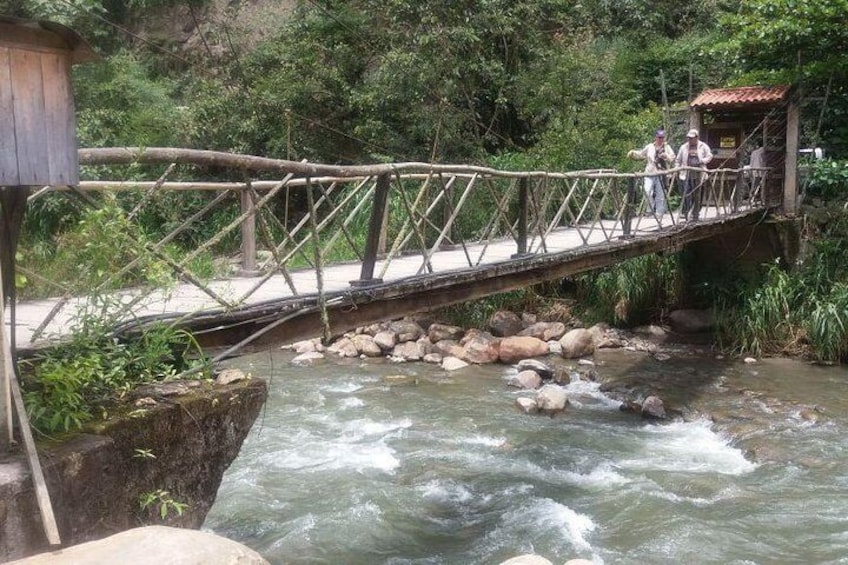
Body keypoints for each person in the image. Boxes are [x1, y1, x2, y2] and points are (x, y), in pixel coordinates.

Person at [627, 128, 675, 216]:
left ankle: (659, 212)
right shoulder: (650, 147)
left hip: (661, 173)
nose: (660, 139)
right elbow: (641, 154)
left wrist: (666, 156)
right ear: (655, 137)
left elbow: (672, 158)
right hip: (649, 172)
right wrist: (633, 153)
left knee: (660, 194)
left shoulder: (667, 147)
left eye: (662, 137)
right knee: (647, 191)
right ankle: (650, 210)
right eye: (659, 137)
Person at [676, 128, 713, 222]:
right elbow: (678, 160)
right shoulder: (683, 147)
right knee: (686, 193)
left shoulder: (703, 146)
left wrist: (702, 161)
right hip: (686, 174)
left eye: (692, 138)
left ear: (696, 137)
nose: (690, 139)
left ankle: (696, 213)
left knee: (698, 194)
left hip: (699, 174)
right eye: (689, 138)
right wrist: (677, 169)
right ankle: (686, 212)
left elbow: (710, 156)